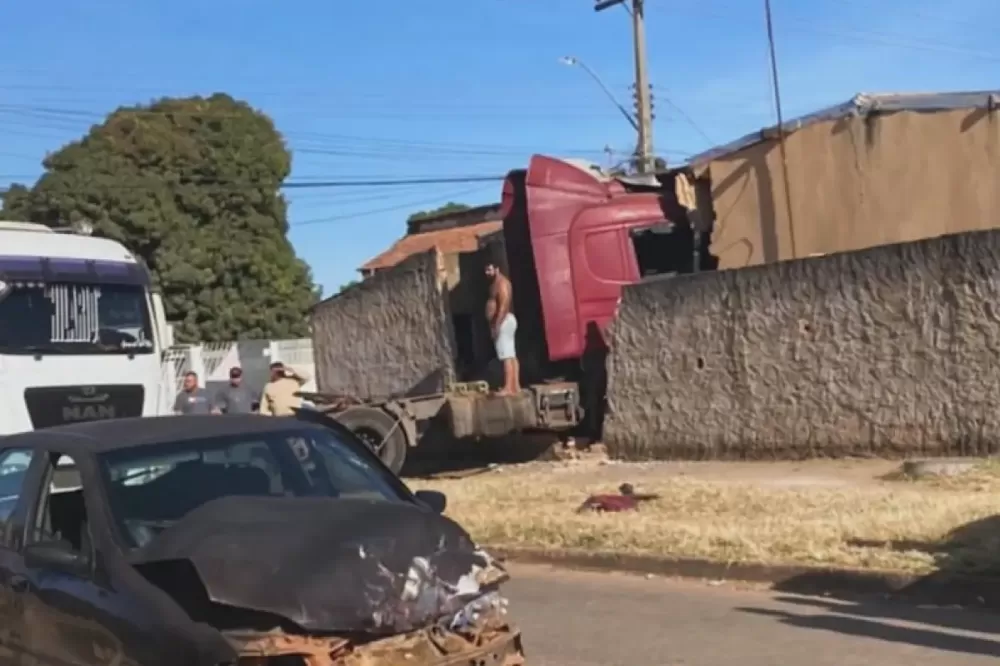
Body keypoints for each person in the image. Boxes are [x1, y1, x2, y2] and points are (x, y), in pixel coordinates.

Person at [485, 262, 520, 395]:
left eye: (489, 270)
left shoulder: (501, 284)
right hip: (504, 320)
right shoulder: (495, 283)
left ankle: (508, 388)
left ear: (497, 269)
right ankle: (515, 386)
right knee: (511, 354)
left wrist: (497, 324)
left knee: (506, 356)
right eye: (486, 270)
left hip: (503, 321)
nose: (487, 273)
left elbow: (504, 305)